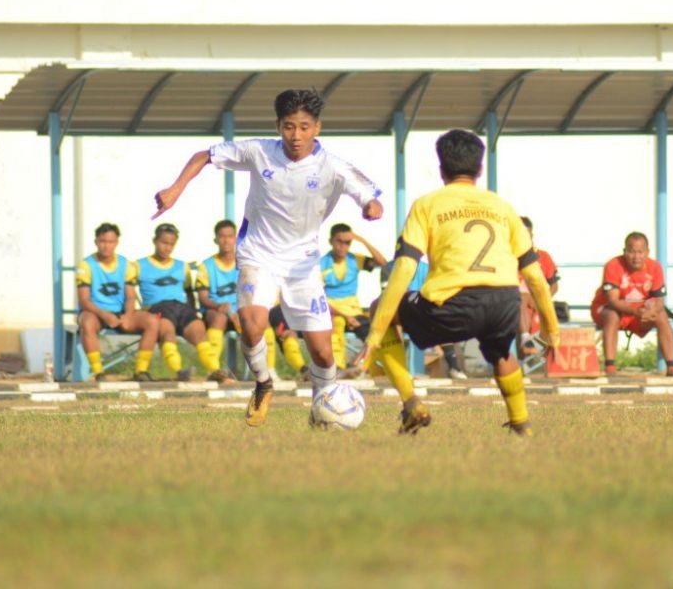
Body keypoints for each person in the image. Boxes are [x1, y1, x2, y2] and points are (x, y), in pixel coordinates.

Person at [152, 88, 383, 427]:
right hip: (258, 255)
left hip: (304, 264)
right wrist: (174, 190)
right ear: (278, 126)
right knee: (251, 322)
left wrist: (370, 207)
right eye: (289, 126)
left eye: (304, 127)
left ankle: (323, 407)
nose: (296, 135)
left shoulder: (333, 167)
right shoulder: (258, 151)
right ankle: (262, 382)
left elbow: (370, 195)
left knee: (321, 351)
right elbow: (204, 155)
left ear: (317, 127)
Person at [356, 129, 560, 437]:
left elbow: (404, 270)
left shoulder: (427, 205)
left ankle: (411, 404)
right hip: (504, 301)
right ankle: (521, 425)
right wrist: (551, 330)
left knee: (378, 308)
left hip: (452, 304)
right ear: (479, 169)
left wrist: (373, 336)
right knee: (501, 353)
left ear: (441, 170)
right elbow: (534, 276)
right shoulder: (502, 207)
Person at [136, 223, 224, 382]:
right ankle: (179, 371)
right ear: (155, 241)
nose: (167, 248)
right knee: (167, 334)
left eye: (171, 244)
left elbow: (190, 291)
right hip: (158, 307)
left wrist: (194, 310)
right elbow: (126, 289)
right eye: (164, 243)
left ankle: (215, 370)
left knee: (199, 333)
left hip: (182, 308)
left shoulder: (182, 266)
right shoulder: (138, 266)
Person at [75, 222, 159, 381]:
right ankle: (98, 372)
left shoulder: (125, 264)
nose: (106, 246)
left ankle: (141, 371)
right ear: (96, 242)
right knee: (87, 322)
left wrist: (128, 314)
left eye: (110, 242)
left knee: (152, 321)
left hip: (119, 312)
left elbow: (130, 296)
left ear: (116, 243)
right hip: (95, 312)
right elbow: (84, 300)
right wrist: (104, 315)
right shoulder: (86, 265)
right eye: (102, 241)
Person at [590, 231, 673, 376]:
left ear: (647, 252)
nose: (636, 257)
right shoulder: (613, 265)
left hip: (639, 312)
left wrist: (651, 310)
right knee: (612, 316)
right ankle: (610, 367)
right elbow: (613, 300)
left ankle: (672, 367)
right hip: (608, 309)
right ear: (625, 252)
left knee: (661, 315)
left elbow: (659, 300)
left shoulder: (655, 267)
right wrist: (635, 311)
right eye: (632, 252)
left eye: (640, 252)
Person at [320, 223, 387, 370]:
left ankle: (357, 367)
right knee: (335, 324)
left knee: (374, 335)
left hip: (354, 311)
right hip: (332, 311)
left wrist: (361, 240)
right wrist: (345, 316)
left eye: (347, 243)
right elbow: (316, 295)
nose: (343, 246)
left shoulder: (355, 259)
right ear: (331, 241)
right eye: (339, 241)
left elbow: (383, 263)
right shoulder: (321, 264)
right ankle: (337, 368)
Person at [194, 219, 241, 385]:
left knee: (256, 321)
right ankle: (214, 370)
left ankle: (264, 371)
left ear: (236, 238)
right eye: (222, 236)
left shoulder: (244, 262)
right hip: (216, 311)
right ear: (216, 239)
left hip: (239, 312)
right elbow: (203, 298)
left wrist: (239, 312)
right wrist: (221, 307)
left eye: (230, 236)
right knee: (219, 318)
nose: (226, 240)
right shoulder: (206, 266)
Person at [517, 216, 561, 359]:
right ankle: (526, 342)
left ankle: (528, 347)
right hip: (514, 304)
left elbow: (554, 285)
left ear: (532, 235)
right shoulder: (506, 257)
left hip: (538, 304)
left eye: (526, 236)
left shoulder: (543, 256)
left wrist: (541, 301)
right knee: (520, 299)